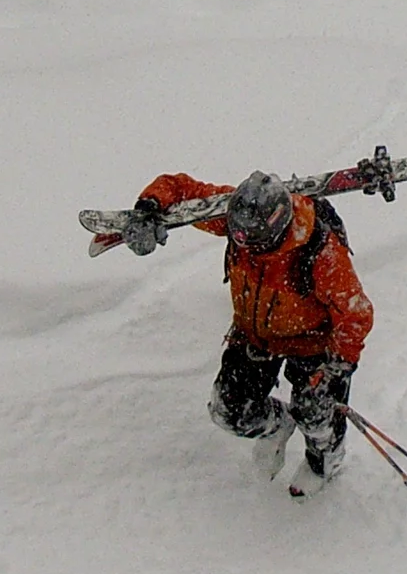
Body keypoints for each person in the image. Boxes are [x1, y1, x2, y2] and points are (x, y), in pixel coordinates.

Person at [124, 168, 372, 494]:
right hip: (254, 336)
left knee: (315, 415)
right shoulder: (240, 218)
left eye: (253, 240)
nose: (243, 245)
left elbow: (356, 313)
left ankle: (324, 459)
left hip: (312, 343)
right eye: (237, 236)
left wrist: (337, 369)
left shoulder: (319, 251)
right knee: (229, 412)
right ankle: (277, 426)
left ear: (277, 227)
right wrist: (149, 208)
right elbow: (182, 189)